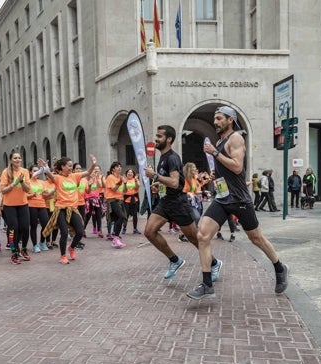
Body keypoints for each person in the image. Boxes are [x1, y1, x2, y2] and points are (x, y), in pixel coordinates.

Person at [187, 106, 288, 299]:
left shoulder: (236, 138)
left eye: (218, 118)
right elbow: (227, 168)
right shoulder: (220, 141)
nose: (215, 122)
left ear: (230, 119)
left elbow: (237, 166)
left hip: (239, 199)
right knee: (203, 235)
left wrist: (215, 153)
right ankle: (207, 284)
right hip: (223, 197)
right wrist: (217, 173)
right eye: (214, 119)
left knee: (256, 238)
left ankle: (279, 267)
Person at [143, 125, 223, 281]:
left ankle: (214, 263)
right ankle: (174, 260)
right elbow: (173, 181)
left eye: (159, 136)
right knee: (149, 232)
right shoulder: (163, 157)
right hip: (166, 203)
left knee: (194, 239)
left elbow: (173, 182)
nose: (156, 139)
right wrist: (158, 184)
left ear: (169, 139)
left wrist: (155, 176)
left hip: (179, 203)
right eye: (156, 136)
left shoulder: (172, 158)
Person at [38, 155, 97, 264]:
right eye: (69, 166)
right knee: (64, 232)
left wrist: (93, 164)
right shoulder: (58, 178)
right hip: (61, 209)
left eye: (71, 166)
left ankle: (72, 247)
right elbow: (50, 175)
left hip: (73, 209)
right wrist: (46, 168)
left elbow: (88, 173)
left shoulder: (75, 176)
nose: (71, 168)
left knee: (80, 231)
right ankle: (63, 256)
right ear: (63, 167)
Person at [0, 151, 31, 264]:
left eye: (19, 158)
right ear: (11, 160)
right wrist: (14, 183)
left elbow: (27, 190)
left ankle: (23, 249)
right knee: (13, 230)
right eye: (15, 158)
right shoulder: (5, 172)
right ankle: (14, 251)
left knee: (25, 228)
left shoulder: (25, 171)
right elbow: (3, 190)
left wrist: (21, 182)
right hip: (9, 206)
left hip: (23, 204)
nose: (17, 160)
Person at [104, 161, 127, 247]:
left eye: (120, 166)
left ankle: (115, 238)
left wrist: (124, 183)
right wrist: (120, 182)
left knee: (119, 218)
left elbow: (125, 191)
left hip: (120, 200)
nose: (120, 168)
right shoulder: (110, 177)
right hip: (112, 200)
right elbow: (113, 189)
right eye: (117, 167)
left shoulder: (121, 177)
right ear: (113, 169)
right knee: (121, 216)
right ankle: (116, 238)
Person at [84, 165, 104, 238]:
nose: (95, 172)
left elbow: (100, 185)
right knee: (88, 215)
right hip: (89, 199)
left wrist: (97, 178)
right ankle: (83, 229)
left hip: (97, 198)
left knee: (99, 215)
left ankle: (99, 230)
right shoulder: (87, 179)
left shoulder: (97, 179)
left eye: (97, 170)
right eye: (94, 170)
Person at [122, 168, 142, 234]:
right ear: (126, 174)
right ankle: (124, 228)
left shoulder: (136, 180)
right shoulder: (124, 180)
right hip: (126, 200)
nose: (130, 173)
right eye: (128, 172)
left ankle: (135, 229)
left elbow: (137, 187)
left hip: (135, 199)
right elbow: (124, 190)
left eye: (131, 172)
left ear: (133, 174)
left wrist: (136, 181)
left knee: (135, 214)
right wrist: (124, 183)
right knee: (126, 214)